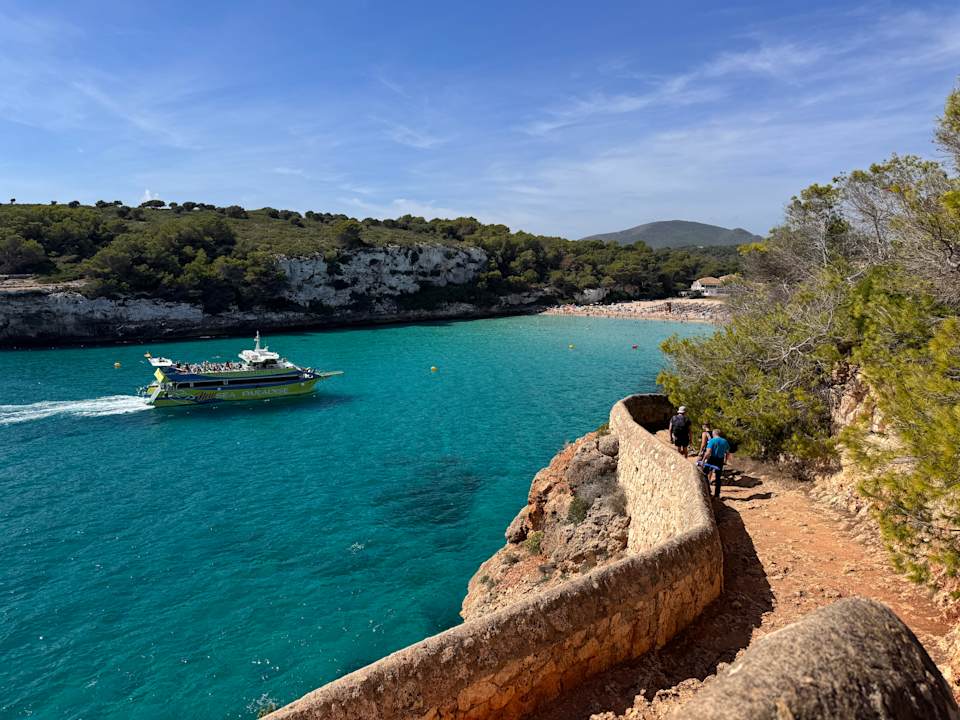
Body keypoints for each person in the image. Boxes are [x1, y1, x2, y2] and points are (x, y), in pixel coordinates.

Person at [701, 429, 731, 498]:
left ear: (714, 434)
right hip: (720, 460)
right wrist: (725, 461)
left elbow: (708, 452)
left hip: (712, 459)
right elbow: (727, 452)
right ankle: (717, 495)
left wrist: (703, 460)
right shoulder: (725, 441)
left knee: (705, 474)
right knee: (718, 477)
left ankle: (707, 490)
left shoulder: (712, 440)